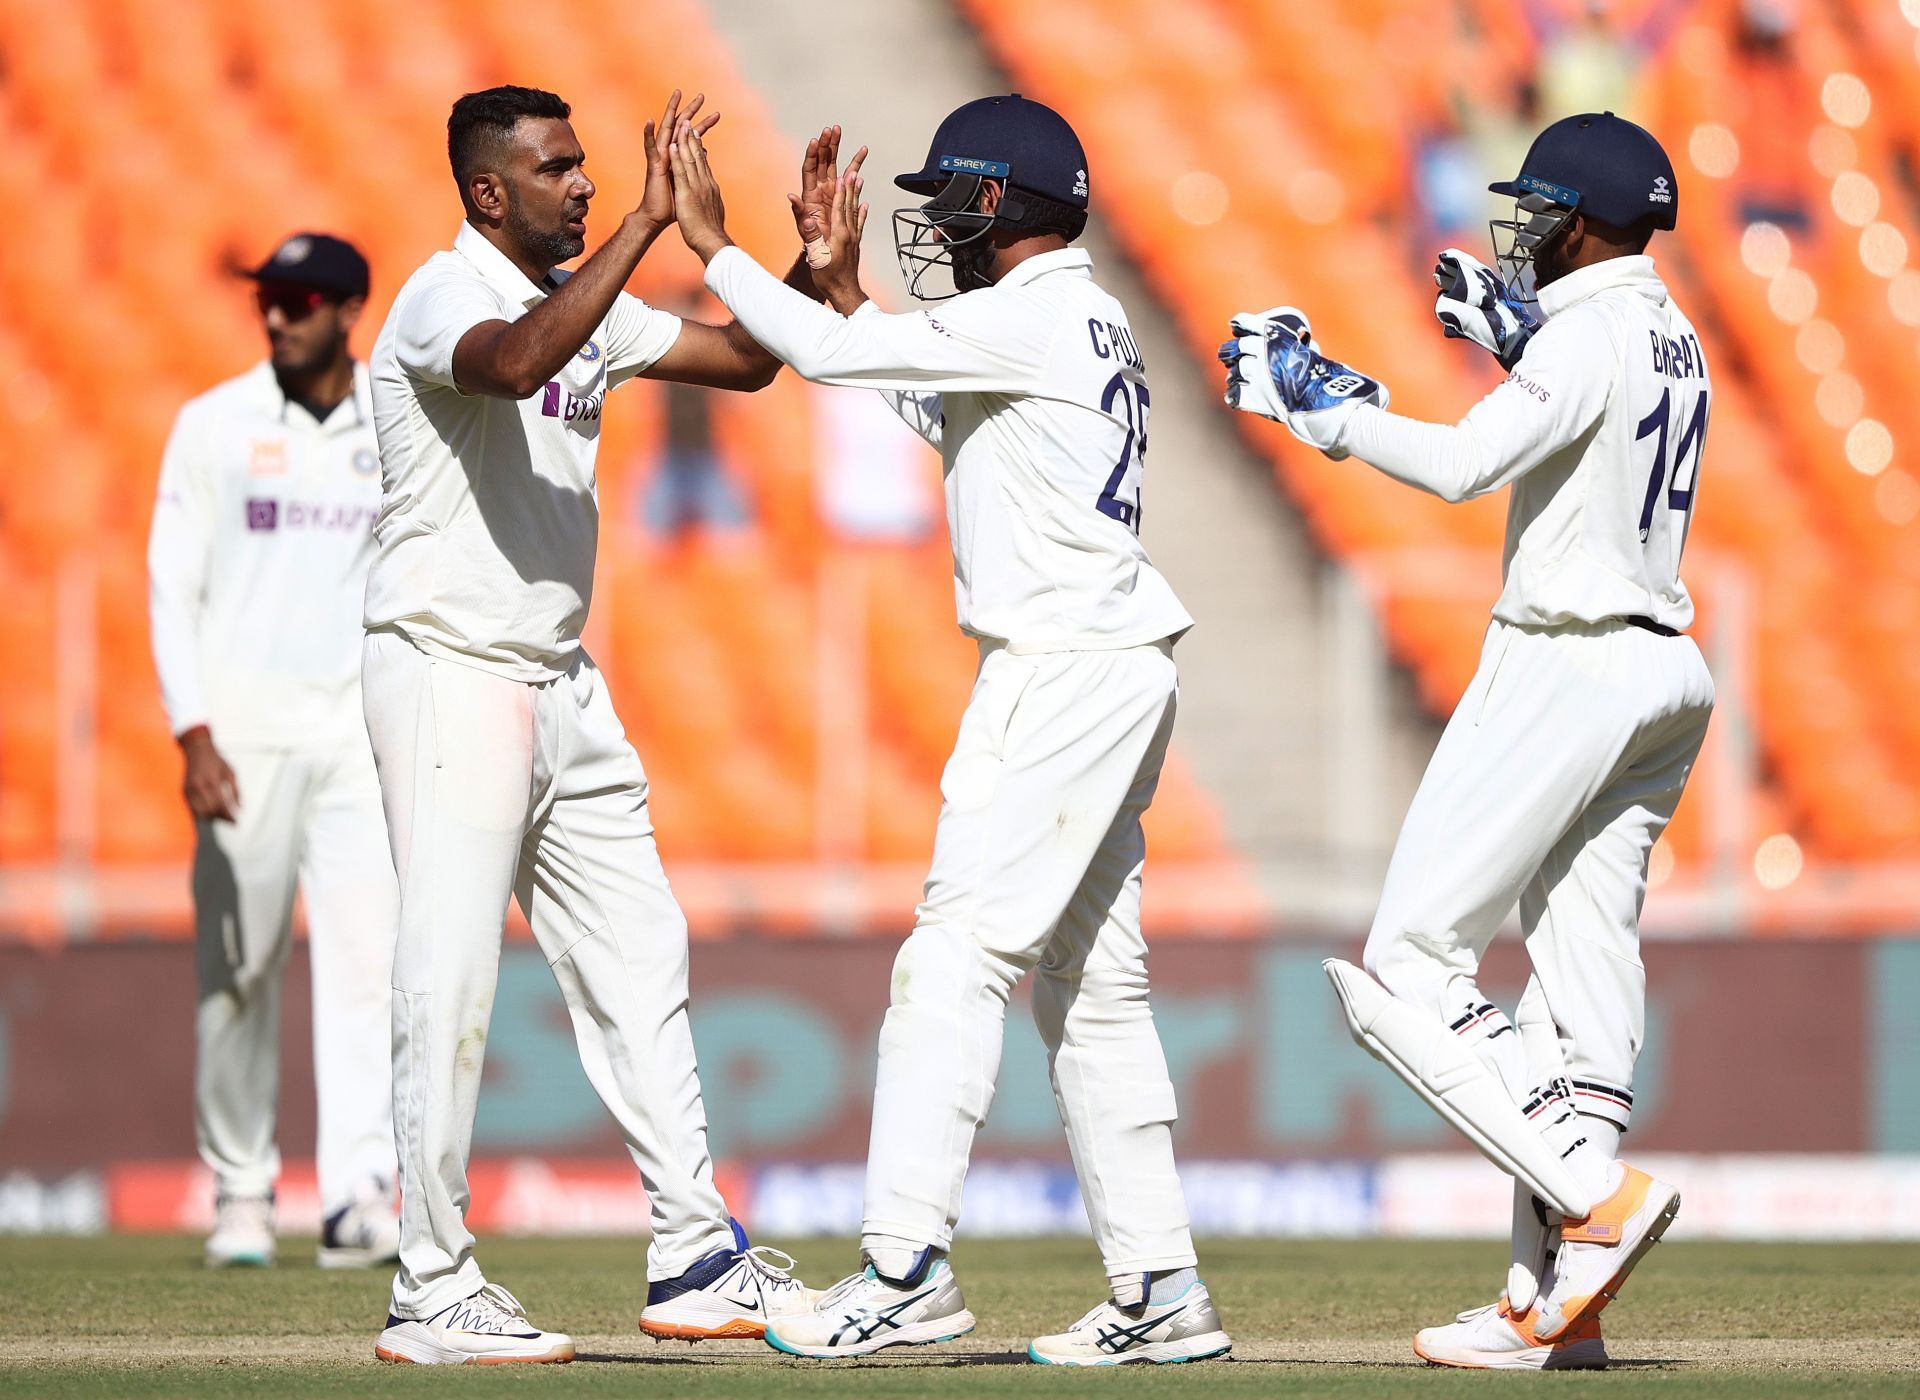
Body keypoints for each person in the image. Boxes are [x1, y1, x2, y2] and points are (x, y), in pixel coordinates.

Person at [664, 95, 1233, 1367]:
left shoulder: (1032, 312)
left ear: (1000, 202)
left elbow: (832, 365)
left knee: (952, 962)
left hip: (1060, 668)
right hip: (1113, 662)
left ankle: (902, 1266)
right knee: (1093, 990)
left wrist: (717, 250)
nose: (936, 224)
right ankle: (1161, 1289)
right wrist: (845, 293)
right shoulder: (1078, 312)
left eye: (951, 201)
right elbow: (944, 410)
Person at [1222, 111, 1712, 1370]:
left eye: (1545, 209)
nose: (1526, 229)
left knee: (1407, 962)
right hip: (1662, 665)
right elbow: (1588, 414)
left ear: (1590, 220)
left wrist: (1315, 403)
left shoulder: (1594, 331)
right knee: (1579, 979)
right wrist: (1524, 339)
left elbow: (1456, 466)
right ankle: (1557, 1313)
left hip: (1566, 654)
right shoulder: (1667, 326)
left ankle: (1594, 1202)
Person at [361, 85, 833, 1366]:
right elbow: (515, 364)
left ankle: (692, 1249)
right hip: (452, 666)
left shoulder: (596, 307)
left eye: (584, 167)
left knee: (639, 955)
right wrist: (643, 221)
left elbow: (739, 360)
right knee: (448, 975)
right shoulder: (438, 297)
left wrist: (806, 269)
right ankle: (431, 1282)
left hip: (563, 676)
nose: (578, 184)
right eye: (556, 170)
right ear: (486, 193)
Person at [147, 231, 401, 1271]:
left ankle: (358, 1193)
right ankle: (242, 1190)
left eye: (300, 299)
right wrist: (192, 728)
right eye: (269, 298)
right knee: (240, 966)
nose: (278, 315)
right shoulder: (213, 425)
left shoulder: (399, 416)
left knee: (369, 968)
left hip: (358, 730)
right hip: (243, 734)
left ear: (349, 310)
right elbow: (173, 584)